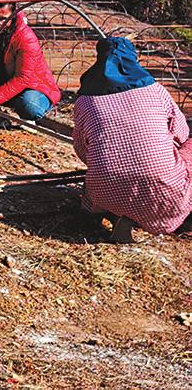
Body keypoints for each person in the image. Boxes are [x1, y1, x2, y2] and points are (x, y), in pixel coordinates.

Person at [73, 37, 192, 243]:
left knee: (105, 179)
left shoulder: (84, 101)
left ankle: (112, 211)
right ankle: (178, 217)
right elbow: (181, 133)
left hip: (103, 192)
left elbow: (81, 149)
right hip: (164, 195)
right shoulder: (155, 91)